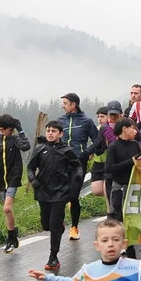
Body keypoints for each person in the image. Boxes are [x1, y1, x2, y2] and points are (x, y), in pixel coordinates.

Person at [27, 120, 84, 271]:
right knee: (46, 225)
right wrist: (33, 180)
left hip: (61, 192)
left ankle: (53, 257)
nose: (50, 133)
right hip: (43, 191)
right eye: (48, 131)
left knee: (54, 225)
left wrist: (78, 177)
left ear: (60, 134)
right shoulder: (40, 149)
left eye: (53, 131)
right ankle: (59, 225)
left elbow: (77, 166)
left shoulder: (66, 150)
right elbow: (30, 168)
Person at [0, 113, 30, 253]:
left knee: (7, 209)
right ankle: (13, 235)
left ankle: (10, 239)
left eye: (14, 130)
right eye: (10, 130)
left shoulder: (15, 139)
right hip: (0, 180)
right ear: (2, 129)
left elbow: (26, 146)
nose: (12, 132)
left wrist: (20, 130)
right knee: (7, 210)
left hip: (13, 178)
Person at [58, 92, 98, 241]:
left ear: (73, 104)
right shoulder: (60, 120)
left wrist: (87, 152)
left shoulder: (86, 121)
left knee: (73, 196)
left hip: (78, 163)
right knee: (60, 194)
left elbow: (98, 140)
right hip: (61, 163)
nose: (63, 106)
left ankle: (74, 227)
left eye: (65, 103)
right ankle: (60, 221)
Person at [104, 117, 141, 222]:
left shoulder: (135, 144)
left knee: (134, 216)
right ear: (124, 129)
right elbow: (108, 168)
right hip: (118, 186)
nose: (135, 132)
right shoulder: (113, 146)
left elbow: (138, 163)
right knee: (119, 214)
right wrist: (131, 161)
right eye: (133, 128)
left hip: (134, 186)